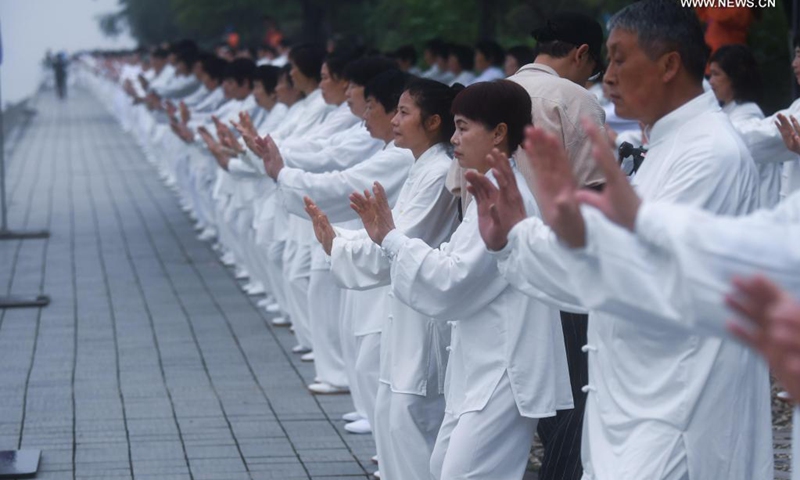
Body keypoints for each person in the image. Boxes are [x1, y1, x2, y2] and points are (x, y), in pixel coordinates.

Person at [465, 1, 771, 479]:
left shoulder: (709, 152)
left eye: (621, 58)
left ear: (669, 64)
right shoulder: (672, 144)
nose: (607, 76)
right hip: (642, 397)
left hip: (681, 404)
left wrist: (523, 238)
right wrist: (516, 239)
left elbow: (634, 269)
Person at [344, 80, 573, 480]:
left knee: (465, 473)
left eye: (464, 127)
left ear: (499, 133)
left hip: (507, 365)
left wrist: (392, 238)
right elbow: (453, 263)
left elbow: (453, 281)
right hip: (481, 361)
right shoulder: (490, 186)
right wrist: (391, 238)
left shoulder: (504, 193)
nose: (453, 138)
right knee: (443, 465)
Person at [309, 78, 461, 480]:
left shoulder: (440, 171)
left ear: (432, 122)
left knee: (412, 416)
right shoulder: (423, 165)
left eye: (404, 112)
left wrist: (341, 245)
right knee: (393, 412)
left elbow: (400, 238)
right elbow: (389, 232)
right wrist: (339, 237)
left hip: (425, 310)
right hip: (407, 307)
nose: (394, 120)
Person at [504, 12, 606, 480]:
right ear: (582, 53)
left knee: (513, 379)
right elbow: (596, 193)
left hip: (496, 261)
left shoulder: (492, 95)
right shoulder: (576, 99)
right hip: (561, 265)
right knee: (570, 386)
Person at [708, 45, 777, 207]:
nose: (710, 82)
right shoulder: (726, 110)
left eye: (716, 74)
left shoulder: (749, 114)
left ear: (735, 77)